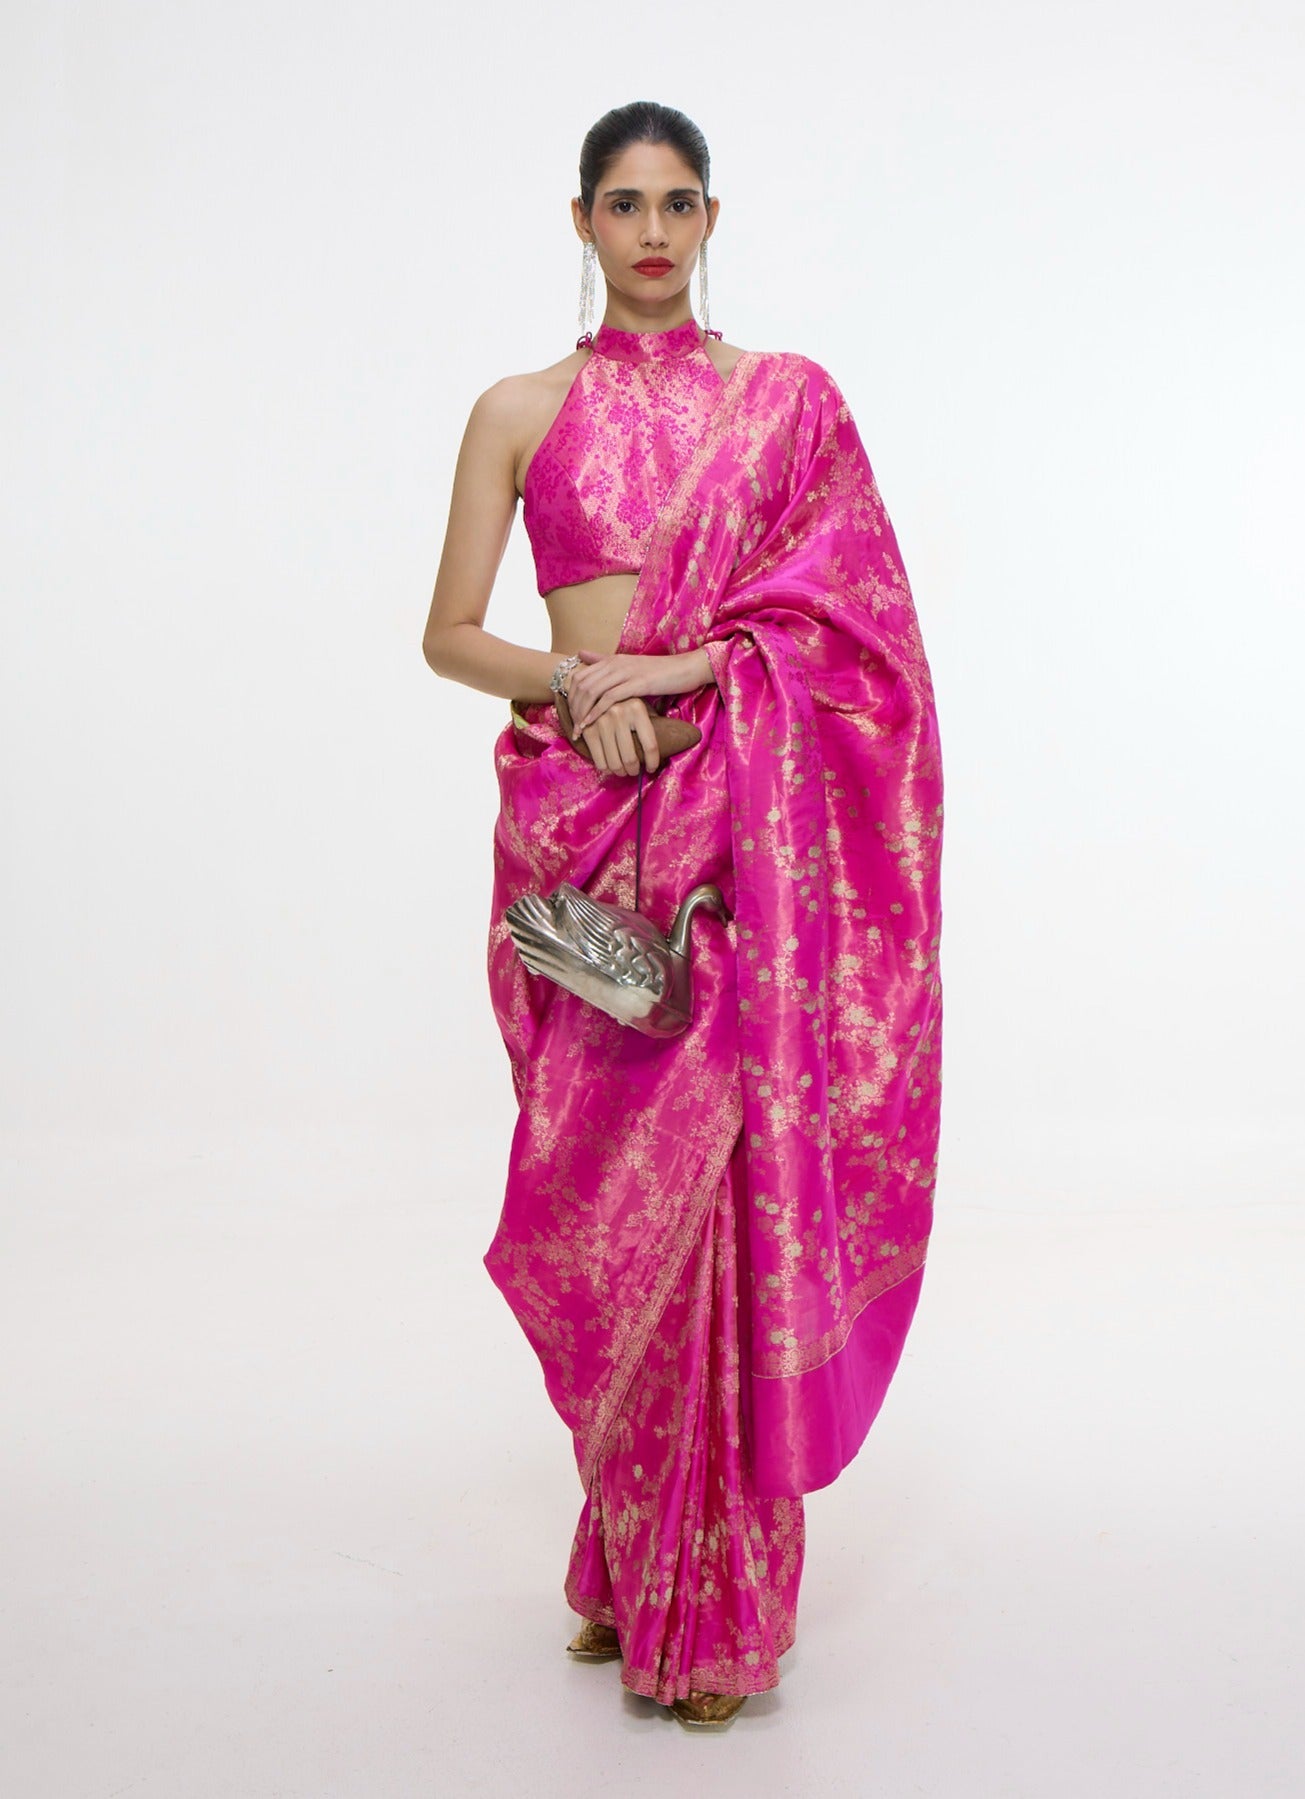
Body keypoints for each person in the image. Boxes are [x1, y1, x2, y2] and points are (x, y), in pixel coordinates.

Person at [422, 99, 944, 1731]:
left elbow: (856, 635)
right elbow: (449, 634)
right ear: (580, 222)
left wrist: (681, 669)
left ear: (710, 219)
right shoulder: (518, 410)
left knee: (719, 1195)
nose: (651, 232)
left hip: (736, 825)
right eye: (622, 204)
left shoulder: (784, 403)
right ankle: (627, 1548)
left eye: (678, 204)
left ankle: (706, 1610)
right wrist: (581, 686)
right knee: (603, 1202)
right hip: (583, 830)